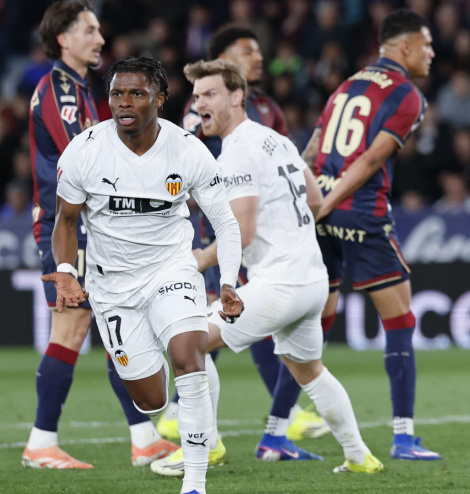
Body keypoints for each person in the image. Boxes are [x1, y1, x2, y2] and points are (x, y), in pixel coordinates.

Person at [152, 58, 381, 476]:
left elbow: (243, 229)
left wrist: (199, 258)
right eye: (197, 95)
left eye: (211, 94)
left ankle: (206, 445)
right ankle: (358, 455)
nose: (200, 102)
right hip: (312, 279)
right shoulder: (276, 139)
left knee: (190, 341)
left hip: (282, 281)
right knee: (309, 369)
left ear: (237, 97)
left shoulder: (238, 151)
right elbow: (313, 201)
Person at [45, 54, 243, 494]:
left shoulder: (187, 149)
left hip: (172, 270)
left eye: (136, 93)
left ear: (160, 98)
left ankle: (194, 483)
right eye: (117, 93)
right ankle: (158, 339)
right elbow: (66, 220)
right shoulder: (85, 150)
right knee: (150, 400)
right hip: (112, 287)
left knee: (190, 360)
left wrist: (227, 280)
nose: (124, 102)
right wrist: (64, 270)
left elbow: (226, 222)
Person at [158, 24, 329, 449]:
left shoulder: (267, 109)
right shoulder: (199, 113)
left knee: (236, 322)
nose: (257, 58)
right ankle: (188, 415)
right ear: (222, 61)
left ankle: (222, 422)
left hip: (261, 238)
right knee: (217, 322)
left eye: (258, 51)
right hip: (220, 232)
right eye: (246, 51)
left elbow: (288, 167)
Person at [24, 1, 178, 469]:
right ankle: (41, 442)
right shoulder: (60, 90)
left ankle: (143, 435)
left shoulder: (80, 89)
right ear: (64, 38)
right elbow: (84, 159)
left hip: (90, 225)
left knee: (117, 326)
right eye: (90, 30)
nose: (100, 39)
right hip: (68, 228)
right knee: (71, 329)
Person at [300, 8, 441, 461]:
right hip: (359, 213)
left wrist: (307, 200)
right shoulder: (407, 95)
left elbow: (315, 148)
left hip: (320, 210)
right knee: (399, 320)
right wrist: (332, 199)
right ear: (405, 48)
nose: (432, 53)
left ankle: (275, 433)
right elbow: (370, 161)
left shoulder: (347, 84)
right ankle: (403, 437)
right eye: (426, 44)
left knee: (313, 324)